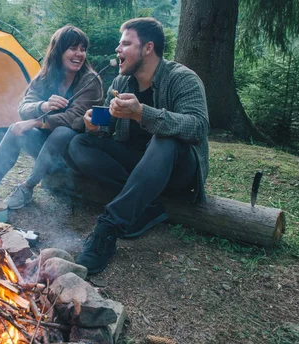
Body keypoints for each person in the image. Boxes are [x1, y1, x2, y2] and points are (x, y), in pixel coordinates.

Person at [68, 17, 209, 274]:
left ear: (147, 48)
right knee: (80, 143)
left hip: (177, 171)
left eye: (125, 44)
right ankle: (147, 206)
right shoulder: (121, 83)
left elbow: (197, 127)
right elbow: (110, 130)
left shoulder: (182, 79)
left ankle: (108, 228)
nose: (117, 50)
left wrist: (142, 113)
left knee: (164, 139)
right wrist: (95, 127)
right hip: (137, 167)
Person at [0, 25, 103, 215]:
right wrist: (42, 106)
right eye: (73, 48)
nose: (79, 54)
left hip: (74, 152)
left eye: (83, 49)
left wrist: (38, 122)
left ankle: (27, 187)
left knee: (63, 131)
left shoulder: (90, 80)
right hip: (46, 149)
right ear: (59, 51)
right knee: (16, 129)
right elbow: (24, 106)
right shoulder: (47, 76)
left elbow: (74, 119)